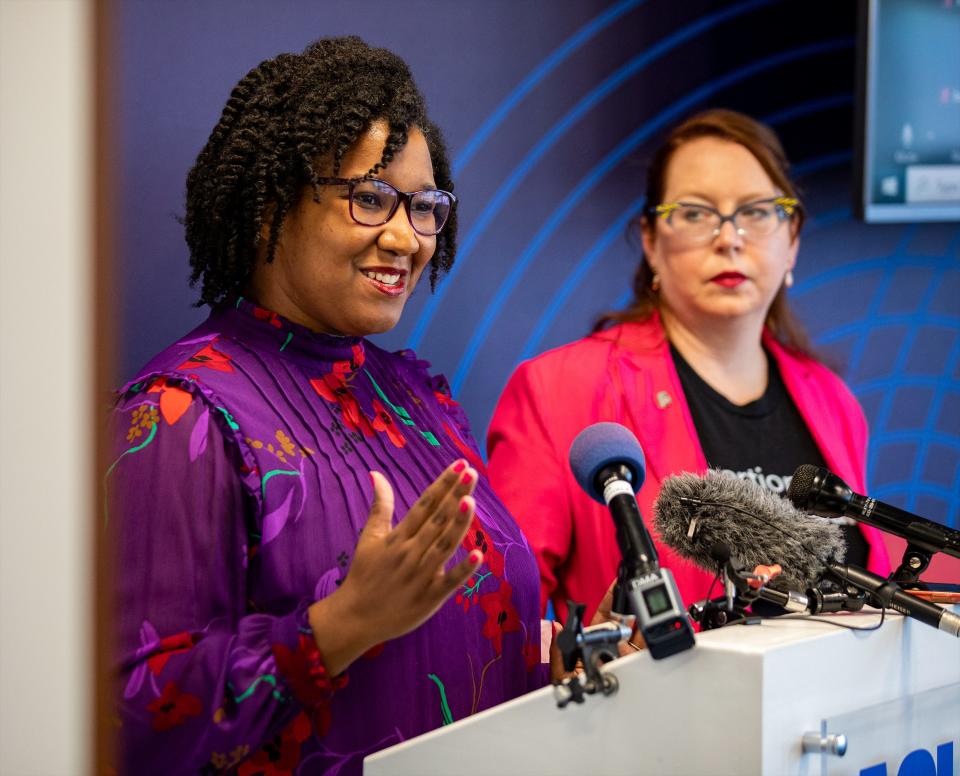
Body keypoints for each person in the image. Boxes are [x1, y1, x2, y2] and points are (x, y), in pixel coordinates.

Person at [107, 37, 548, 775]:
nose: (406, 237)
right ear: (269, 208)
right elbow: (127, 718)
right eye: (370, 198)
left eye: (425, 207)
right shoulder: (180, 414)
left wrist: (565, 661)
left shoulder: (419, 400)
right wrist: (340, 628)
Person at [487, 109, 891, 624]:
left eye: (758, 211)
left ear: (792, 241)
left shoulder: (833, 402)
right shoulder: (559, 391)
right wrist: (583, 653)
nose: (729, 237)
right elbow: (498, 624)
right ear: (652, 242)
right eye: (696, 213)